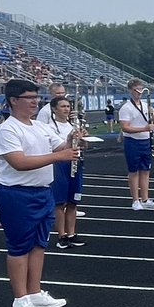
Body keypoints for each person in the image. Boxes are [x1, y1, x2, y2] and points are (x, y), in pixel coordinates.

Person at [0, 79, 78, 307]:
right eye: (29, 98)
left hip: (42, 191)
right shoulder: (7, 129)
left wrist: (73, 139)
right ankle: (20, 299)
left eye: (36, 97)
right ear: (13, 101)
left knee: (39, 244)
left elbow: (62, 145)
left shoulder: (39, 126)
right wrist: (59, 156)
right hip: (17, 193)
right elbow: (19, 163)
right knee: (19, 247)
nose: (34, 102)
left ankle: (35, 291)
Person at [45, 95, 87, 249]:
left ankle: (72, 233)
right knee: (60, 202)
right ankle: (61, 235)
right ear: (54, 109)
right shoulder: (49, 127)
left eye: (68, 107)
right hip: (60, 165)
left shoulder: (72, 125)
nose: (66, 109)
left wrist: (83, 141)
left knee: (73, 201)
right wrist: (70, 139)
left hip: (76, 163)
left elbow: (81, 147)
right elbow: (58, 147)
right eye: (63, 106)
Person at [118, 79, 154, 211]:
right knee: (134, 171)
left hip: (145, 141)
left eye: (141, 89)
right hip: (133, 142)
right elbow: (125, 127)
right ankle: (135, 200)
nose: (139, 92)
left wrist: (152, 114)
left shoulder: (145, 105)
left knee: (146, 170)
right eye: (137, 89)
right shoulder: (126, 108)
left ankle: (145, 199)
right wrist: (144, 129)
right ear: (131, 90)